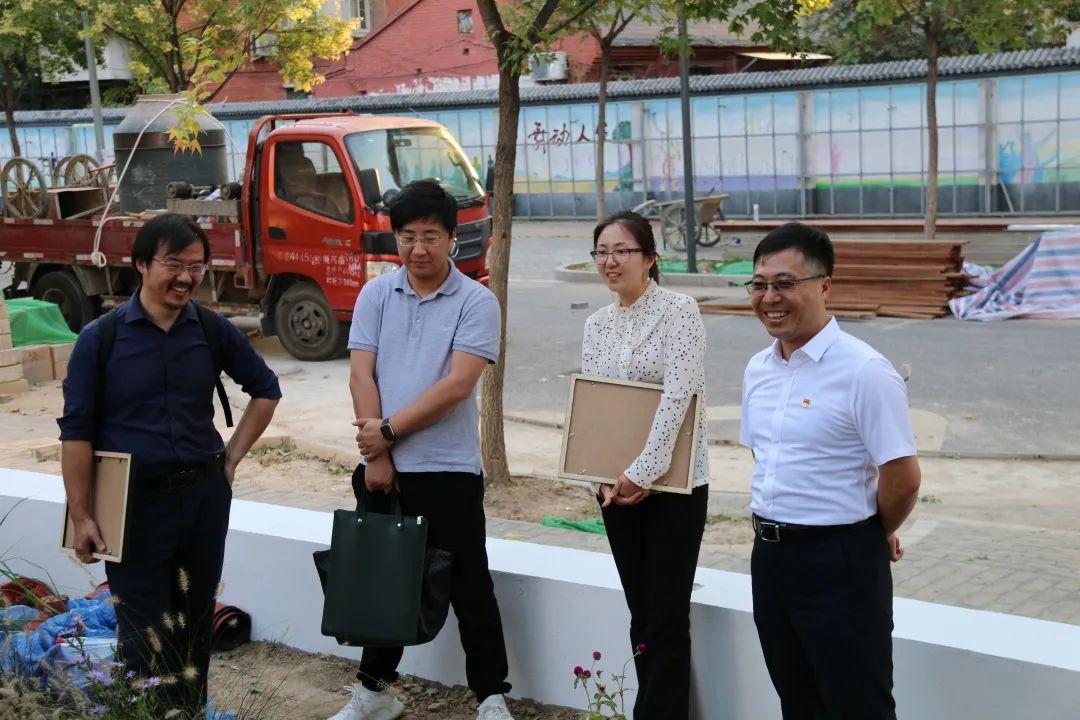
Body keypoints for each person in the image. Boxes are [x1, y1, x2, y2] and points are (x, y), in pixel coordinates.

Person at [58, 213, 281, 714]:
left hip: (203, 497)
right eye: (174, 264)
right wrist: (81, 515)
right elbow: (76, 432)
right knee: (142, 633)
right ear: (141, 264)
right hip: (131, 502)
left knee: (195, 623)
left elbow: (266, 389)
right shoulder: (101, 338)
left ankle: (190, 710)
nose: (185, 277)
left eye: (197, 267)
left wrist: (232, 456)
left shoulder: (210, 329)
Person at [332, 180, 514, 720]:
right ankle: (374, 691)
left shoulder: (477, 302)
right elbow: (361, 371)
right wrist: (378, 455)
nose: (419, 248)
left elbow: (457, 385)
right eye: (407, 236)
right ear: (395, 240)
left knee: (469, 585)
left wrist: (386, 433)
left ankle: (490, 696)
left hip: (450, 469)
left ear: (452, 239)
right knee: (384, 582)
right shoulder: (376, 295)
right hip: (385, 466)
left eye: (430, 236)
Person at [738, 222, 922, 720]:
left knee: (857, 704)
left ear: (824, 285)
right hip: (770, 559)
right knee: (798, 700)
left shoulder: (864, 370)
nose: (769, 297)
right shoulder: (759, 368)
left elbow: (902, 476)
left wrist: (869, 531)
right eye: (759, 284)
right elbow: (770, 455)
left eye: (785, 283)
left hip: (839, 564)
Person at [580, 211, 710, 720]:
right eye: (602, 252)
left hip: (674, 488)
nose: (611, 261)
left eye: (622, 251)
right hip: (616, 490)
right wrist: (599, 473)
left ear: (651, 259)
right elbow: (595, 407)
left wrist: (644, 472)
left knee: (667, 616)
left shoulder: (680, 310)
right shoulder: (595, 324)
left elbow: (680, 397)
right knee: (641, 612)